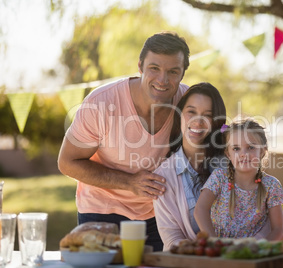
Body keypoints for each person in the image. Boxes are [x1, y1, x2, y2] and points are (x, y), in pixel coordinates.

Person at [57, 31, 190, 251]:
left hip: (161, 214)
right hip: (101, 212)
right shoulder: (101, 103)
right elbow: (67, 162)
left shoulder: (188, 103)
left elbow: (217, 139)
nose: (162, 80)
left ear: (183, 73)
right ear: (140, 66)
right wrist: (129, 182)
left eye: (173, 71)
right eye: (154, 68)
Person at [152, 82, 227, 251]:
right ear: (179, 115)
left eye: (207, 115)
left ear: (216, 122)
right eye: (191, 112)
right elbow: (171, 238)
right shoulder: (163, 176)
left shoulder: (230, 164)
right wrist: (205, 252)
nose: (198, 121)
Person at [194, 117, 283, 240]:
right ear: (228, 154)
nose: (244, 154)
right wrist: (214, 242)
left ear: (263, 151)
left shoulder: (271, 185)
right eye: (236, 149)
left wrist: (259, 249)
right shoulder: (219, 178)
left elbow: (278, 229)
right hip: (219, 252)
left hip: (251, 253)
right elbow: (200, 210)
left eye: (251, 147)